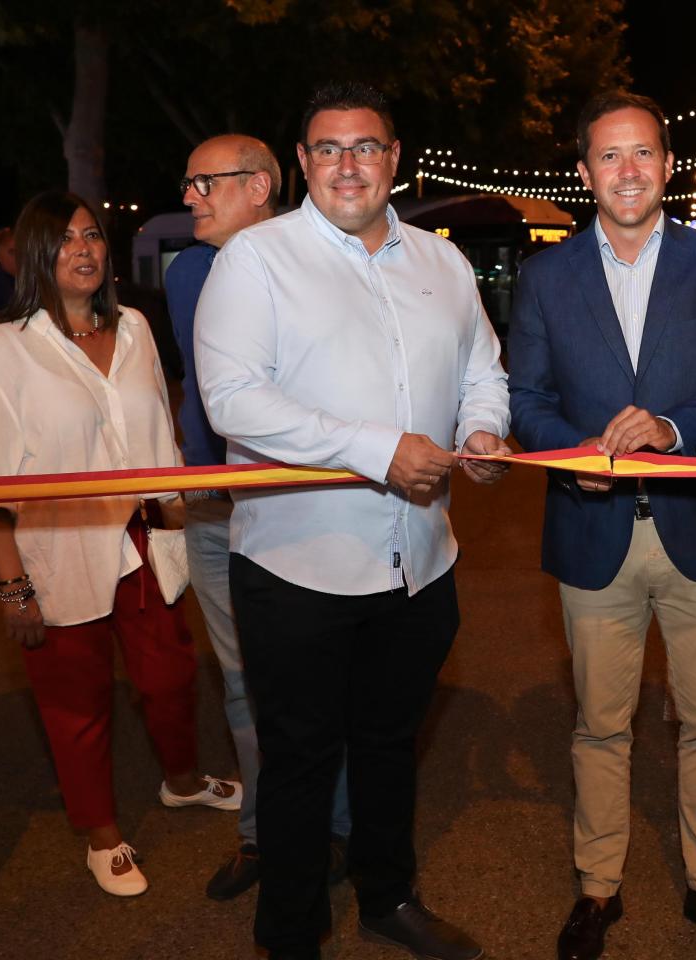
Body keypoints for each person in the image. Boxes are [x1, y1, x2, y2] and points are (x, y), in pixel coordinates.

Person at [196, 81, 510, 960]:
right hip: (301, 568)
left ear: (395, 158)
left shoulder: (440, 262)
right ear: (299, 164)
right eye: (327, 149)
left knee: (387, 747)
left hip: (422, 563)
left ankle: (388, 898)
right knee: (299, 763)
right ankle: (290, 934)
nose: (347, 165)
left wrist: (481, 427)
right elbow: (233, 401)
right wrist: (378, 449)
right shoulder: (255, 261)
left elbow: (483, 363)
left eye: (365, 147)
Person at [508, 91, 696, 960]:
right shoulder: (545, 275)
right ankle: (598, 889)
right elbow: (526, 401)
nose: (628, 171)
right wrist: (570, 446)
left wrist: (673, 428)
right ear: (584, 172)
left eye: (643, 153)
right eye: (609, 156)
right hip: (592, 528)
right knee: (600, 723)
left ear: (666, 163)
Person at [0, 190, 241, 898]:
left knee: (171, 678)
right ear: (32, 257)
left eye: (92, 235)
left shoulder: (137, 328)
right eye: (64, 240)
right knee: (75, 703)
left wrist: (184, 522)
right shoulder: (1, 349)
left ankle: (179, 781)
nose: (83, 250)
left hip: (142, 539)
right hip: (56, 548)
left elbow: (161, 446)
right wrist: (13, 586)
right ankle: (101, 832)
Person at [165, 133, 355, 902]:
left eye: (204, 183)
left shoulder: (319, 264)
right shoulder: (186, 273)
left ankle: (332, 832)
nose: (189, 198)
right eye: (187, 184)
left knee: (314, 683)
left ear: (260, 185)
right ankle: (263, 835)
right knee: (243, 682)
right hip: (214, 507)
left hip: (295, 504)